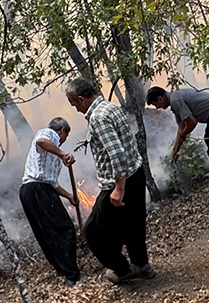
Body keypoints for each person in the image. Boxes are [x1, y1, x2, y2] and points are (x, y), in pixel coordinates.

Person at [64, 79, 154, 284]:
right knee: (134, 224)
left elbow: (117, 154)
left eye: (74, 104)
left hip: (119, 182)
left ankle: (122, 270)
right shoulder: (110, 107)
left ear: (81, 99)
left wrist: (118, 189)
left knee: (92, 232)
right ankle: (142, 266)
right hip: (135, 174)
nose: (76, 109)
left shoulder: (98, 117)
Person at [20, 117, 82, 286]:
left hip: (31, 190)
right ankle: (72, 275)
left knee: (46, 232)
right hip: (37, 189)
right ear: (62, 130)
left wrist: (69, 196)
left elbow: (52, 183)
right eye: (65, 136)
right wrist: (62, 154)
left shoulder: (53, 154)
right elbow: (41, 141)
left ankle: (62, 269)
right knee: (64, 228)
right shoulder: (49, 134)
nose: (62, 142)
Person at [146, 86, 209, 188]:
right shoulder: (175, 101)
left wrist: (183, 135)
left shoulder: (176, 100)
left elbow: (192, 123)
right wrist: (174, 152)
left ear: (160, 98)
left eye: (155, 104)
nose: (157, 108)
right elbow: (181, 128)